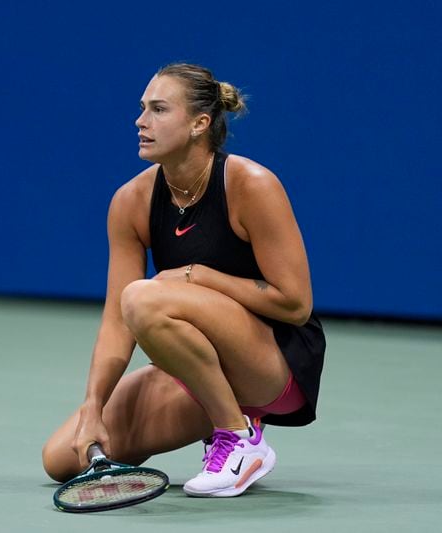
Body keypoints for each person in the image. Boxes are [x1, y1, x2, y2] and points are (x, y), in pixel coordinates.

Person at [41, 63, 325, 497]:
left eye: (158, 109)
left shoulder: (251, 184)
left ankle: (237, 438)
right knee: (63, 457)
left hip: (274, 366)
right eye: (141, 109)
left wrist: (198, 276)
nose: (140, 121)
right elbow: (116, 324)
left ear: (199, 124)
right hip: (195, 367)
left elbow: (295, 304)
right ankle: (225, 421)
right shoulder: (130, 202)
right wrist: (92, 406)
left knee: (143, 298)